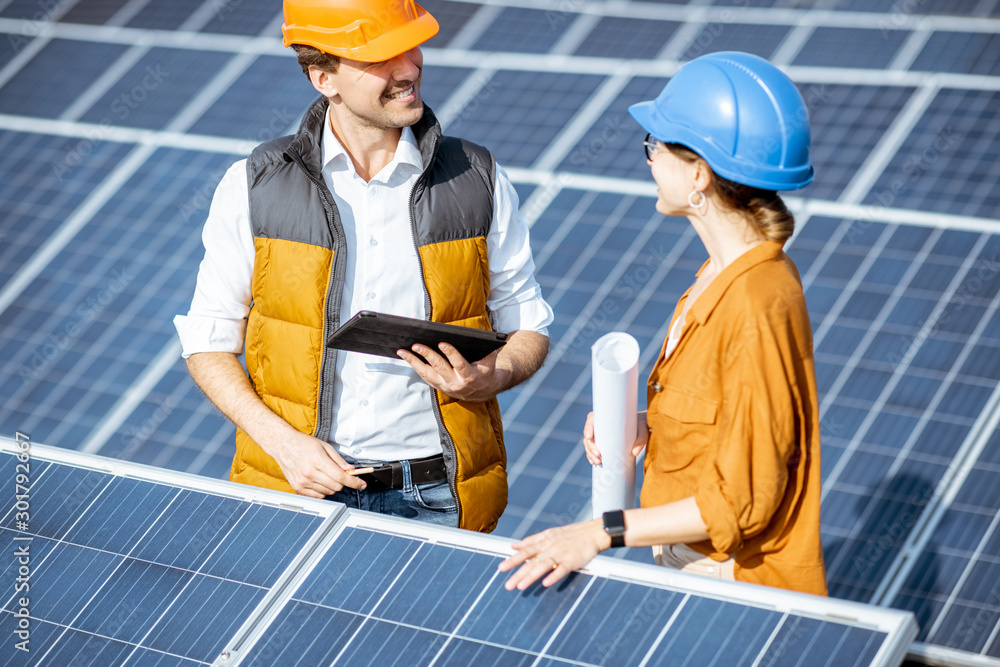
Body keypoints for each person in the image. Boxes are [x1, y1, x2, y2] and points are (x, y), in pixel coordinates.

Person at [173, 0, 552, 533]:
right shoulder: (254, 185)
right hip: (294, 489)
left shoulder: (477, 179)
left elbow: (528, 327)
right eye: (381, 58)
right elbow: (207, 342)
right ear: (322, 76)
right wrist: (283, 445)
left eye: (411, 47)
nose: (409, 69)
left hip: (438, 494)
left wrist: (492, 376)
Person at [499, 51, 827, 595]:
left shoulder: (756, 303)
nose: (648, 159)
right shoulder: (719, 273)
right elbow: (730, 418)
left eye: (656, 147)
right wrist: (652, 424)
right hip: (696, 562)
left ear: (699, 172)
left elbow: (741, 500)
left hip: (734, 578)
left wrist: (600, 532)